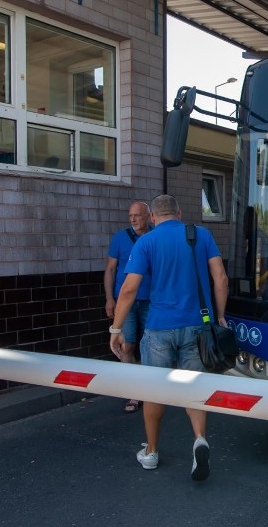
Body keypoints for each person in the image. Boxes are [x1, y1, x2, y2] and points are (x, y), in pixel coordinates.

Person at [109, 194, 229, 482]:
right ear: (179, 212)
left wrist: (116, 329)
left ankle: (151, 452)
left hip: (160, 328)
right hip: (197, 325)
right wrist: (220, 316)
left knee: (154, 390)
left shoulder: (146, 242)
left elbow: (128, 290)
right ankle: (199, 440)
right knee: (194, 387)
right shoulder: (200, 234)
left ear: (152, 218)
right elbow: (220, 278)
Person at [104, 201, 152, 413]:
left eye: (137, 215)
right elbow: (110, 270)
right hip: (126, 302)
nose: (132, 219)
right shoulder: (120, 238)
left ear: (148, 216)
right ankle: (134, 393)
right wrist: (109, 298)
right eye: (130, 215)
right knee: (127, 345)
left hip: (151, 300)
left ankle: (152, 391)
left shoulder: (155, 237)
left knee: (151, 346)